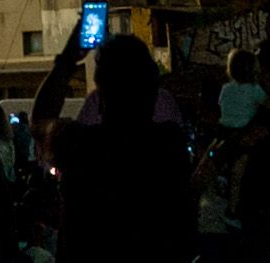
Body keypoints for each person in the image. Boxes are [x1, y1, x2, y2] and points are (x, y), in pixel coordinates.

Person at [34, 27, 196, 263]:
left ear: (101, 94)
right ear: (151, 93)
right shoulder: (169, 146)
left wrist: (68, 60)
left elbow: (40, 121)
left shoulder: (80, 145)